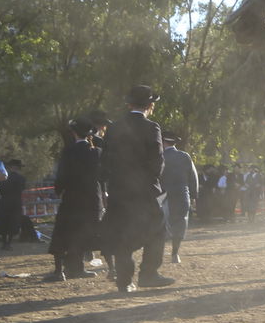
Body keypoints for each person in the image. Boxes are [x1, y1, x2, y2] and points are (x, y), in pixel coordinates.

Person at [101, 85, 174, 293]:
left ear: (129, 103)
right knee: (157, 230)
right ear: (150, 105)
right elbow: (157, 162)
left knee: (122, 235)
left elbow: (105, 160)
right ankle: (149, 274)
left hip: (118, 191)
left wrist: (109, 184)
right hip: (143, 191)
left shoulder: (114, 127)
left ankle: (124, 281)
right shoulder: (152, 127)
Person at [47, 117, 102, 281]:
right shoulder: (96, 152)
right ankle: (76, 268)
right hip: (91, 199)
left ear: (73, 133)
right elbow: (103, 176)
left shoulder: (68, 151)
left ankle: (60, 270)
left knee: (64, 232)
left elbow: (62, 175)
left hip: (72, 198)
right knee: (82, 233)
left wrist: (58, 190)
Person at [161, 134, 200, 263]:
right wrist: (194, 195)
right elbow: (193, 177)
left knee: (161, 224)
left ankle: (158, 254)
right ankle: (175, 254)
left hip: (163, 194)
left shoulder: (159, 156)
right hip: (182, 193)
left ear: (164, 142)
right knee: (180, 223)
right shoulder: (185, 156)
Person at [0, 159, 27, 249]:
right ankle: (8, 243)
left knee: (3, 222)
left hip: (4, 202)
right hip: (15, 202)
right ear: (18, 168)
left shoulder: (2, 178)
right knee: (13, 223)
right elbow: (21, 189)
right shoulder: (21, 178)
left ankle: (4, 242)